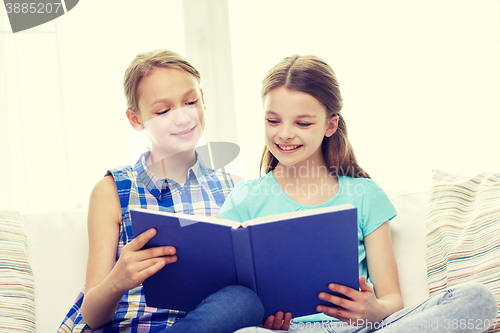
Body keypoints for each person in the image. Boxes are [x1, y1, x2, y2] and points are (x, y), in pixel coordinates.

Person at [217, 54, 498, 333]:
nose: (285, 134)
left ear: (330, 125)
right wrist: (258, 319)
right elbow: (224, 299)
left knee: (477, 298)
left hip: (359, 329)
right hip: (283, 332)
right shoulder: (243, 198)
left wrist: (374, 310)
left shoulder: (364, 194)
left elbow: (392, 300)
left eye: (302, 123)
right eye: (273, 121)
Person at [58, 49, 263, 333]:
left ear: (203, 99)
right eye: (163, 111)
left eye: (190, 102)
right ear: (136, 119)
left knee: (245, 301)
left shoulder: (234, 187)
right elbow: (92, 316)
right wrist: (119, 278)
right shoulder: (113, 190)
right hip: (124, 328)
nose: (182, 118)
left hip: (203, 326)